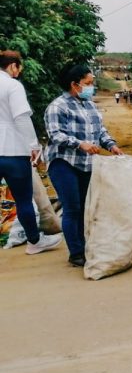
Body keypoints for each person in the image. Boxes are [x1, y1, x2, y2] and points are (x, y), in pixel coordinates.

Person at [44, 63, 122, 266]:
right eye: (88, 83)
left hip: (86, 164)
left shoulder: (90, 106)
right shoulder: (58, 106)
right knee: (72, 208)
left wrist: (111, 145)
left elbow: (100, 131)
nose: (91, 87)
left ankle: (84, 245)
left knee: (84, 209)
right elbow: (55, 135)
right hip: (64, 163)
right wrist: (80, 144)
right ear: (74, 84)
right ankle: (76, 253)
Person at [0, 50, 62, 255]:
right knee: (23, 199)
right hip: (13, 150)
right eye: (19, 68)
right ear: (12, 66)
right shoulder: (12, 86)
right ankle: (34, 242)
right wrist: (34, 147)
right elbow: (21, 118)